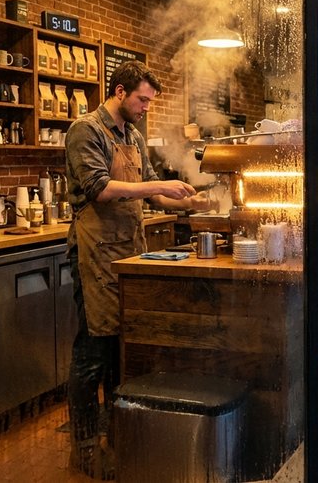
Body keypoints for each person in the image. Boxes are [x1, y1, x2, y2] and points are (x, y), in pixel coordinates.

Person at [65, 61, 209, 479]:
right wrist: (160, 185)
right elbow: (100, 188)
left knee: (121, 352)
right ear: (119, 91)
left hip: (128, 254)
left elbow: (152, 195)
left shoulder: (132, 136)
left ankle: (116, 440)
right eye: (142, 99)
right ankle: (84, 448)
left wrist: (192, 201)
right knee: (92, 354)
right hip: (94, 255)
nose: (146, 107)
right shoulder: (86, 130)